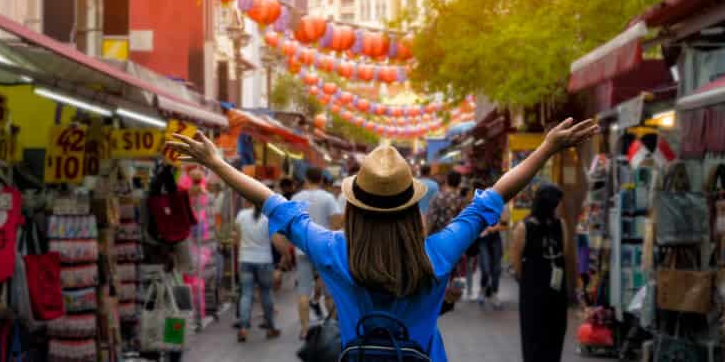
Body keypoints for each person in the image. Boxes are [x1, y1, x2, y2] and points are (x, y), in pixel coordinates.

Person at [171, 117, 598, 362]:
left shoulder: (336, 251)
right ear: (411, 207)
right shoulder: (436, 253)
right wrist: (546, 149)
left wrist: (216, 164)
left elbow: (274, 204)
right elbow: (495, 197)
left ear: (355, 206)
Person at [511, 183, 568, 362]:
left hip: (553, 289)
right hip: (535, 288)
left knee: (555, 331)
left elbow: (565, 252)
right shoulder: (525, 226)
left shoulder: (561, 224)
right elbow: (516, 258)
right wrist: (526, 279)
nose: (557, 207)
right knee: (534, 332)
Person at [292, 166, 342, 339]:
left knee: (304, 291)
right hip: (323, 249)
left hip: (302, 248)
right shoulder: (328, 198)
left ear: (306, 179)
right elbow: (336, 222)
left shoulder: (296, 198)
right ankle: (332, 326)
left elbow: (290, 224)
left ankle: (305, 329)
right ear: (321, 179)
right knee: (329, 292)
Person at [234, 200, 285, 342]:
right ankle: (270, 328)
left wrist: (242, 254)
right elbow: (277, 241)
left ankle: (243, 328)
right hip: (264, 261)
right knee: (266, 294)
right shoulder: (268, 218)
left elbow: (237, 239)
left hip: (245, 260)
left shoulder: (241, 215)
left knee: (246, 294)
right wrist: (285, 256)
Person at [425, 170, 466, 235]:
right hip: (455, 236)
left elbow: (431, 219)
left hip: (438, 235)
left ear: (447, 181)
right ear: (459, 183)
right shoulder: (461, 200)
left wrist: (427, 235)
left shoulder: (439, 197)